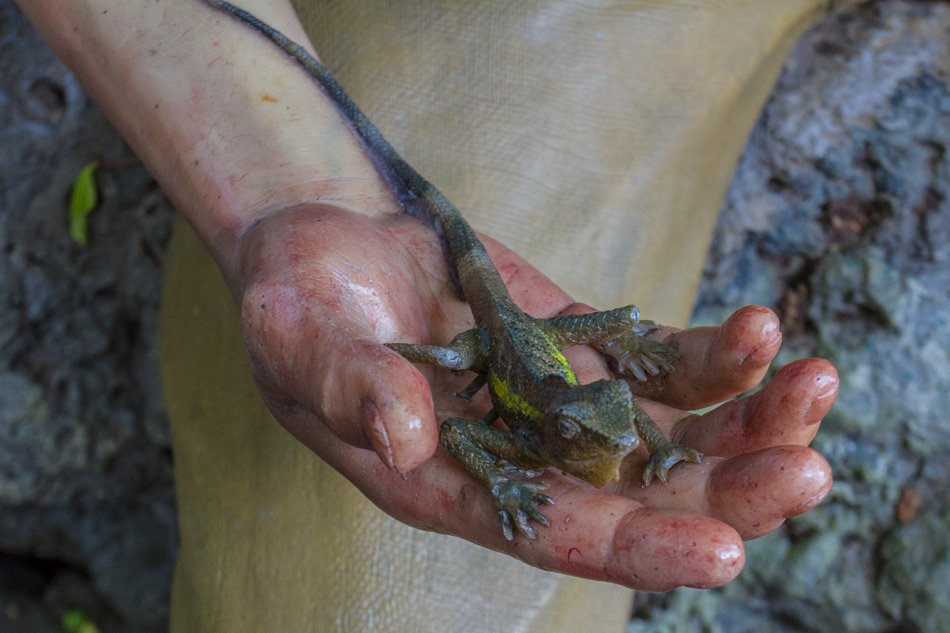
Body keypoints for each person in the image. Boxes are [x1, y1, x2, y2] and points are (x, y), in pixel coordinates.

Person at [16, 0, 845, 630]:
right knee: (458, 357)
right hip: (501, 348)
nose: (626, 442)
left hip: (537, 349)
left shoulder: (609, 423)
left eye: (616, 436)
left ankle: (613, 327)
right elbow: (458, 433)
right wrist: (491, 453)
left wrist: (635, 383)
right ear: (558, 434)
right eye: (606, 438)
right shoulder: (523, 428)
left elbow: (635, 432)